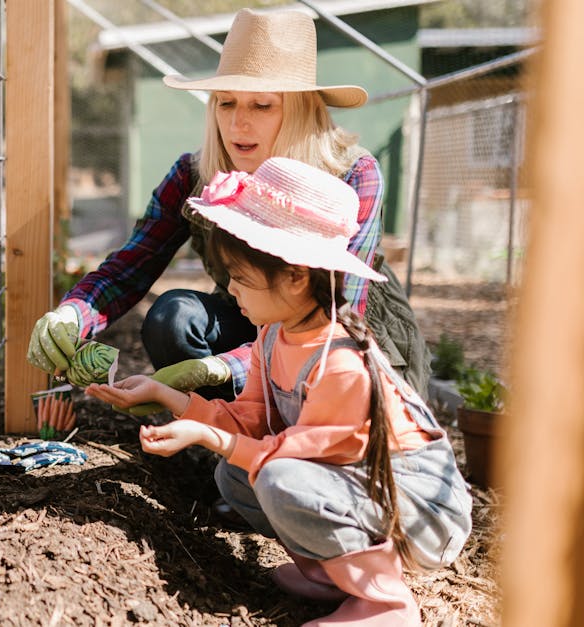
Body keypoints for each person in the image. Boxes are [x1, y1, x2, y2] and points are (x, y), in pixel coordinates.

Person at [87, 158, 471, 625]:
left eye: (242, 277)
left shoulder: (342, 365)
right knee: (235, 476)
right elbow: (253, 420)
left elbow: (293, 455)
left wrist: (209, 437)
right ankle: (332, 575)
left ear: (295, 276)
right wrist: (171, 399)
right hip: (361, 491)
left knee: (277, 477)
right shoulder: (274, 336)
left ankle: (385, 601)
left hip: (421, 510)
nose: (229, 288)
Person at [28, 8, 429, 405]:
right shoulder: (193, 174)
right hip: (249, 319)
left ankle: (256, 436)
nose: (238, 124)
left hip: (340, 346)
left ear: (301, 107)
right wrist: (72, 315)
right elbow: (130, 268)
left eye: (262, 105)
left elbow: (337, 317)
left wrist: (223, 368)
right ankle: (214, 437)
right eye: (226, 103)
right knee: (173, 315)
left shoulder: (354, 174)